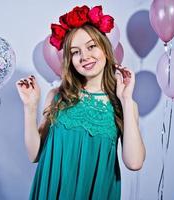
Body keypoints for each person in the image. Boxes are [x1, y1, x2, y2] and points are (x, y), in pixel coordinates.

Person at [16, 5, 145, 199]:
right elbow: (34, 155)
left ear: (106, 48)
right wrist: (30, 107)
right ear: (69, 59)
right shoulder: (57, 96)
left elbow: (134, 163)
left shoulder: (125, 104)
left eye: (91, 46)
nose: (84, 56)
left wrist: (126, 100)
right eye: (75, 52)